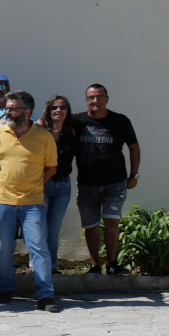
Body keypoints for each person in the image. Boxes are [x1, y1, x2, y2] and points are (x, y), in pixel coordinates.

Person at [0, 91, 59, 312]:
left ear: (27, 112)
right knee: (1, 248)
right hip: (2, 201)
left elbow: (52, 168)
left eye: (13, 108)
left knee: (39, 247)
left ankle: (45, 295)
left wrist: (35, 183)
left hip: (33, 202)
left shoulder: (44, 137)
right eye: (7, 108)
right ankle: (5, 289)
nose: (7, 112)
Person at [72, 84, 140, 275]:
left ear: (107, 98)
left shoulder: (120, 121)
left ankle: (112, 264)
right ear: (86, 101)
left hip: (115, 183)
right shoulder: (77, 121)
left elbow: (134, 148)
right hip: (86, 184)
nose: (96, 101)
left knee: (111, 223)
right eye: (91, 97)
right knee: (90, 225)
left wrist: (134, 175)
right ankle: (94, 266)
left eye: (100, 96)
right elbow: (56, 127)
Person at [37, 95, 77, 274]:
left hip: (63, 185)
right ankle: (37, 264)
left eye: (62, 107)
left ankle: (51, 266)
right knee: (39, 226)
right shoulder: (40, 128)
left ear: (67, 111)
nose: (58, 111)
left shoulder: (72, 131)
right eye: (54, 107)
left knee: (54, 227)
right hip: (43, 183)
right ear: (49, 110)